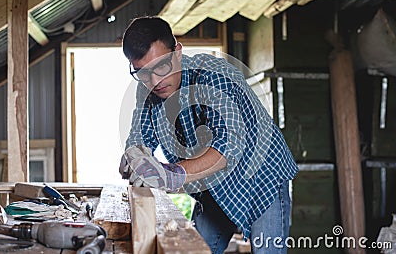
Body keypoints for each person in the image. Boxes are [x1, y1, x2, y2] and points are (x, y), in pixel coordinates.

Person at [119, 16, 298, 254]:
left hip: (260, 177)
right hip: (210, 183)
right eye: (142, 73)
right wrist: (135, 155)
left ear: (178, 52)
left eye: (161, 66)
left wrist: (171, 174)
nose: (155, 81)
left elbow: (229, 146)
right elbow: (140, 138)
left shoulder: (214, 75)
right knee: (194, 248)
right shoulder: (148, 87)